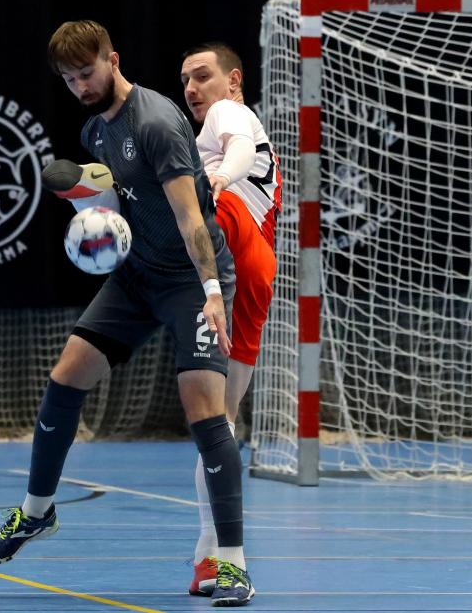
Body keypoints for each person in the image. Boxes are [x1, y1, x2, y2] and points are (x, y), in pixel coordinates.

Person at [0, 20, 255, 607]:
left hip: (190, 280)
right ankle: (37, 511)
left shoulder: (154, 123)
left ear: (114, 60)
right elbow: (118, 200)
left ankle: (232, 562)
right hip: (136, 276)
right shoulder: (94, 130)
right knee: (65, 376)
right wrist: (85, 201)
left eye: (87, 73)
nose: (80, 86)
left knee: (206, 412)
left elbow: (190, 218)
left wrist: (211, 289)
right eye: (69, 79)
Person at [179, 43, 282, 596]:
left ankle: (217, 554)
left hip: (235, 234)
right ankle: (211, 556)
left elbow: (239, 150)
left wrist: (218, 183)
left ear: (233, 80)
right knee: (221, 424)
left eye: (202, 75)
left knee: (214, 424)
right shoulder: (194, 146)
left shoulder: (229, 114)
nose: (192, 88)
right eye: (185, 80)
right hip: (247, 277)